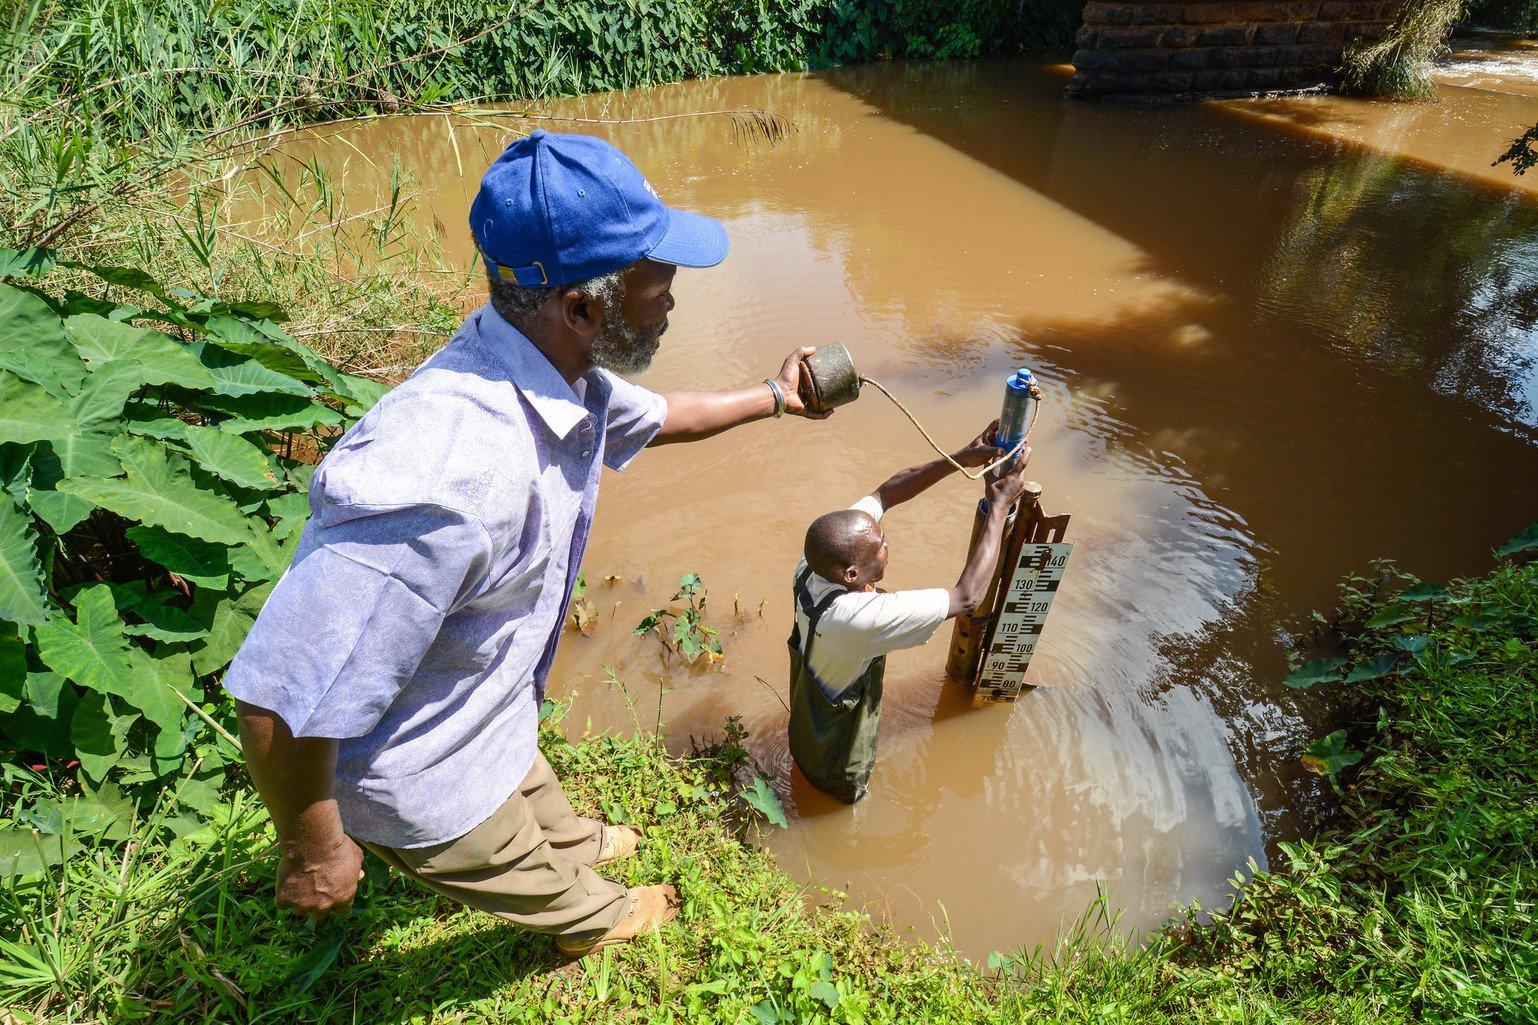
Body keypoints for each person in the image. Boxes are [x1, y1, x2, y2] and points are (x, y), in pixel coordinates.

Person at [225, 130, 830, 958]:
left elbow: (661, 417)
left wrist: (776, 395)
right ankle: (593, 916)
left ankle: (575, 847)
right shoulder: (444, 478)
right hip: (425, 776)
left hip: (489, 710)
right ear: (583, 306)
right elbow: (277, 696)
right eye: (660, 285)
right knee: (518, 862)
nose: (673, 303)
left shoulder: (553, 368)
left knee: (540, 800)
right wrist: (314, 847)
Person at [789, 422, 1035, 803]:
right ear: (851, 574)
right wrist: (999, 510)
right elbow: (968, 596)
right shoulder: (856, 618)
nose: (887, 543)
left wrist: (961, 458)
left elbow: (886, 493)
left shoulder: (814, 560)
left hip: (807, 727)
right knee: (845, 806)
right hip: (838, 758)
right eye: (881, 547)